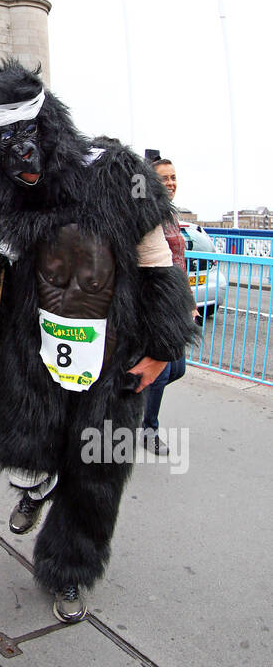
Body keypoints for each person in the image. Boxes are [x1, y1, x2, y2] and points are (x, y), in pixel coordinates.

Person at [0, 60, 196, 623]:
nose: (20, 159)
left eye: (27, 141)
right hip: (31, 352)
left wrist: (161, 347)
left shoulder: (116, 172)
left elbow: (157, 265)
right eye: (2, 146)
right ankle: (36, 486)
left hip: (115, 356)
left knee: (98, 468)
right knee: (31, 449)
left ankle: (71, 571)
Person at [141, 159, 202, 454]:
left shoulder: (171, 216)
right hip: (154, 305)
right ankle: (147, 430)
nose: (170, 183)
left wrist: (188, 302)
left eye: (173, 177)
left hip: (175, 303)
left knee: (177, 369)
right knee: (162, 371)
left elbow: (179, 264)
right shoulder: (146, 213)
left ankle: (127, 406)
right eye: (163, 178)